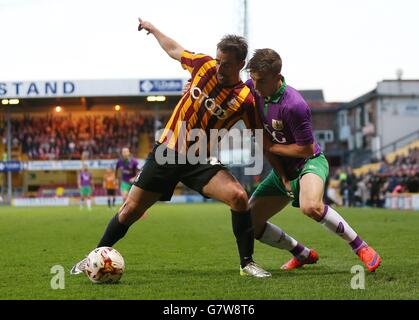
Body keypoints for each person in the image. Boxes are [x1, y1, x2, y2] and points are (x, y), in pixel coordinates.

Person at [70, 19, 270, 277]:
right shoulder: (204, 65)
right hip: (167, 152)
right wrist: (153, 30)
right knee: (130, 210)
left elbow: (260, 135)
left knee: (239, 196)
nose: (220, 67)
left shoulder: (246, 99)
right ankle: (91, 259)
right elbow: (175, 49)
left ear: (240, 65)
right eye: (219, 60)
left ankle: (247, 263)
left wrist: (285, 169)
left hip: (200, 160)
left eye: (227, 64)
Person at [246, 48, 381, 272]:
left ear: (277, 78)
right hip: (282, 171)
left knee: (311, 207)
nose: (255, 87)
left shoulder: (294, 105)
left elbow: (307, 149)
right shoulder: (254, 88)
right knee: (248, 223)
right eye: (253, 80)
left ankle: (362, 248)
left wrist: (272, 147)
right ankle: (301, 253)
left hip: (309, 163)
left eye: (260, 81)